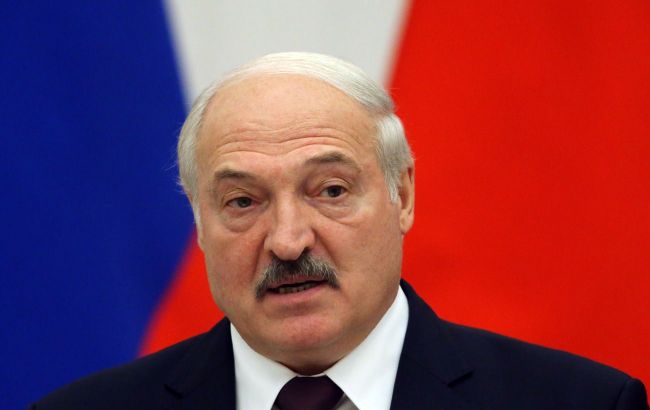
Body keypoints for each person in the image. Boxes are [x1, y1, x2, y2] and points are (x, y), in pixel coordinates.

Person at [32, 52, 648, 410]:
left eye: (330, 191)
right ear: (199, 221)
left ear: (402, 196)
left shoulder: (580, 404)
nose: (288, 241)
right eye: (243, 201)